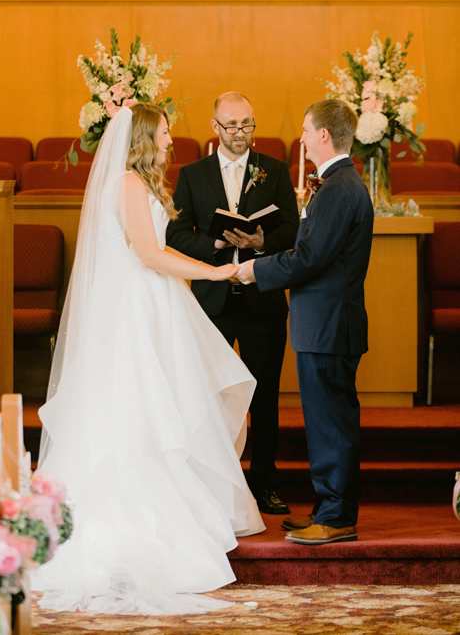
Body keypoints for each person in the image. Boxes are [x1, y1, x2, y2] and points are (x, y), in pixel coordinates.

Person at [32, 104, 265, 615]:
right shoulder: (128, 184)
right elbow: (149, 255)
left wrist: (204, 269)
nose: (169, 140)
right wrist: (216, 272)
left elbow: (158, 250)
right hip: (135, 307)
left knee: (166, 400)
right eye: (162, 133)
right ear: (142, 138)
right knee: (141, 405)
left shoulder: (138, 183)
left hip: (153, 300)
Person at [236, 99, 374, 545]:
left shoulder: (338, 188)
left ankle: (336, 518)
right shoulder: (337, 183)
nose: (301, 139)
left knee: (331, 422)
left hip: (328, 323)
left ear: (324, 136)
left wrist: (256, 270)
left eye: (306, 130)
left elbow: (311, 258)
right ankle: (327, 507)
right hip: (325, 321)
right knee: (326, 420)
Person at [166, 92, 299, 515]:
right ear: (215, 126)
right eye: (232, 126)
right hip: (213, 304)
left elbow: (293, 230)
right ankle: (215, 485)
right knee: (211, 396)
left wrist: (262, 241)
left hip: (263, 301)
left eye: (247, 124)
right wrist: (216, 244)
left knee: (264, 396)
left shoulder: (274, 170)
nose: (240, 133)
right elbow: (176, 235)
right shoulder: (192, 175)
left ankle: (265, 482)